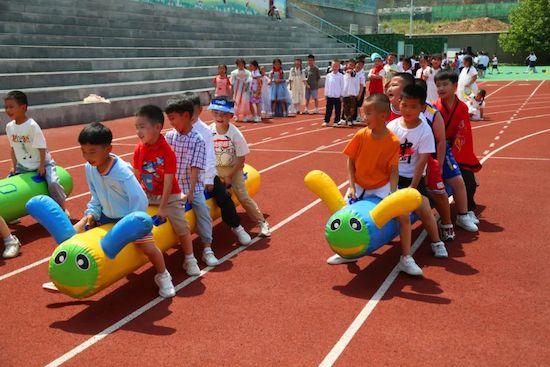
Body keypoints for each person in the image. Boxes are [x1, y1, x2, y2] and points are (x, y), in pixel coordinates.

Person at [74, 122, 175, 297]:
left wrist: (131, 224)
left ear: (108, 149)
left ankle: (163, 275)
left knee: (149, 248)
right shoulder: (89, 168)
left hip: (129, 218)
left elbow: (140, 199)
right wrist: (91, 213)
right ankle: (71, 273)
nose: (87, 156)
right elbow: (95, 195)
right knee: (81, 237)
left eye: (92, 152)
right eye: (83, 151)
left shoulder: (122, 172)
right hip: (106, 216)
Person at [327, 94, 425, 274]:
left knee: (403, 216)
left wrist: (393, 192)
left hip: (381, 185)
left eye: (367, 113)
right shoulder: (361, 135)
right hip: (360, 185)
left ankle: (406, 257)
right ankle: (349, 253)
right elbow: (350, 161)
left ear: (383, 116)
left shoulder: (393, 141)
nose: (363, 117)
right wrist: (351, 185)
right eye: (364, 113)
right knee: (343, 215)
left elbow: (393, 169)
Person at [133, 105, 213, 276]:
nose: (138, 132)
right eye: (136, 127)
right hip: (147, 194)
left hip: (169, 195)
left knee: (181, 225)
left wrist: (163, 207)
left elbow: (169, 182)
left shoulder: (167, 151)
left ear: (157, 127)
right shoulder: (139, 149)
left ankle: (190, 258)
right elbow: (137, 176)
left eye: (142, 127)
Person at [387, 85, 448, 259]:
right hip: (392, 177)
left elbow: (422, 161)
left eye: (413, 107)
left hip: (412, 179)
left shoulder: (425, 131)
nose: (407, 110)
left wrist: (412, 187)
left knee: (424, 208)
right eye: (404, 105)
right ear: (399, 103)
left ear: (422, 107)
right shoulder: (392, 126)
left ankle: (436, 241)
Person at [187, 92, 252, 246]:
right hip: (186, 175)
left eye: (191, 112)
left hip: (205, 174)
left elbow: (210, 157)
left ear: (199, 111)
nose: (187, 116)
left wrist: (209, 179)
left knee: (223, 196)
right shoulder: (177, 131)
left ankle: (236, 226)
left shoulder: (205, 131)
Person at [165, 95, 217, 275]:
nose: (170, 123)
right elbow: (167, 164)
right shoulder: (170, 136)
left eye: (173, 118)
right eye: (169, 119)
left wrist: (190, 192)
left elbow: (196, 168)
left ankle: (207, 248)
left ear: (186, 116)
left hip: (191, 185)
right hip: (173, 185)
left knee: (201, 208)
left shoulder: (198, 139)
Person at [208, 97, 271, 237]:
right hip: (215, 170)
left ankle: (261, 222)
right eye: (216, 113)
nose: (219, 117)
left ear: (231, 115)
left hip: (233, 169)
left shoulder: (235, 134)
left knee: (243, 196)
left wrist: (229, 176)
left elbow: (241, 159)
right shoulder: (209, 131)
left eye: (224, 114)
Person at [4, 91, 68, 213]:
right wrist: (13, 165)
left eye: (11, 107)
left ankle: (62, 208)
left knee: (53, 183)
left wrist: (42, 165)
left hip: (42, 163)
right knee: (8, 185)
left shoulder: (32, 125)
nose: (8, 110)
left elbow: (41, 147)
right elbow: (13, 148)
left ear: (23, 107)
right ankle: (11, 212)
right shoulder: (9, 127)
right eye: (6, 107)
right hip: (22, 166)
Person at [434, 71, 482, 226]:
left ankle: (467, 210)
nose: (441, 88)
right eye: (438, 85)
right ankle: (461, 213)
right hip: (439, 148)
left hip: (457, 149)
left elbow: (463, 132)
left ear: (455, 87)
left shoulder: (461, 107)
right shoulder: (434, 108)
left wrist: (456, 154)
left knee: (469, 181)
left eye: (445, 84)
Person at [415, 79, 455, 242]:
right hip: (409, 160)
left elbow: (440, 140)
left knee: (437, 191)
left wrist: (436, 164)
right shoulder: (398, 111)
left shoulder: (432, 113)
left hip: (429, 158)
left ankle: (447, 224)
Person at [323, 59, 344, 127]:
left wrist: (341, 95)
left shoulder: (341, 76)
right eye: (333, 66)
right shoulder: (329, 75)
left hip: (337, 96)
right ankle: (326, 121)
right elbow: (326, 85)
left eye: (336, 66)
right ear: (331, 66)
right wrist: (326, 94)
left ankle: (336, 121)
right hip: (330, 95)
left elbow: (342, 86)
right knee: (328, 109)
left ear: (339, 67)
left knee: (337, 110)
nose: (335, 67)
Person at [340, 59, 359, 127]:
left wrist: (357, 93)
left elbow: (353, 74)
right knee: (345, 107)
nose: (351, 66)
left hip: (352, 93)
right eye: (350, 64)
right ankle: (345, 119)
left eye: (352, 65)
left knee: (352, 107)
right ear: (347, 65)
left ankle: (350, 120)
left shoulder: (354, 73)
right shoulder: (343, 74)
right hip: (345, 93)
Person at [352, 59, 366, 123]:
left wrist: (360, 94)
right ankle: (352, 117)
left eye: (362, 65)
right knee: (352, 104)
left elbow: (362, 85)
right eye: (359, 64)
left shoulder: (361, 74)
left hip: (360, 90)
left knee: (358, 104)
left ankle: (357, 117)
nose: (360, 66)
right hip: (352, 90)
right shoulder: (351, 72)